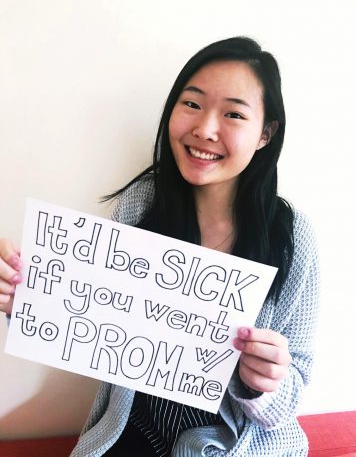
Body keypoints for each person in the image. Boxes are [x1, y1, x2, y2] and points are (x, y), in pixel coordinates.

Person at [0, 36, 319, 456]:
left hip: (234, 445)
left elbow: (286, 398)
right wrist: (29, 301)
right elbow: (96, 321)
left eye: (234, 114)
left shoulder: (291, 237)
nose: (205, 129)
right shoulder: (140, 205)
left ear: (265, 133)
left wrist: (264, 382)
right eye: (191, 104)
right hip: (133, 432)